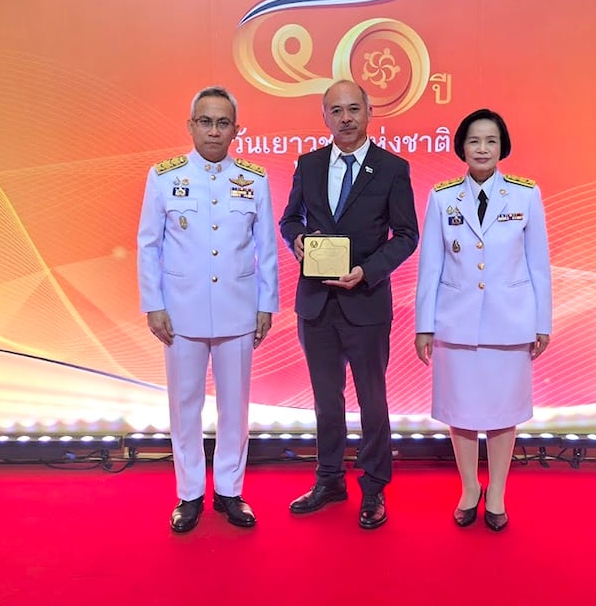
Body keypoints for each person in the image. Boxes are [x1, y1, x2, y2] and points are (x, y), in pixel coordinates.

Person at [137, 86, 279, 533]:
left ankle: (230, 491)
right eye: (205, 121)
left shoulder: (254, 179)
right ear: (191, 126)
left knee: (235, 408)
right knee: (185, 407)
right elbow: (148, 245)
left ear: (236, 130)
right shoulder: (164, 176)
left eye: (222, 122)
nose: (214, 130)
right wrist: (154, 303)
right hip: (181, 312)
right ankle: (189, 494)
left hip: (239, 310)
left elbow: (266, 248)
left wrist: (266, 304)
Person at [279, 79, 419, 529]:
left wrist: (368, 271)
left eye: (353, 109)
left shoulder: (392, 168)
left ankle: (374, 486)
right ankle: (329, 480)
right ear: (324, 117)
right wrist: (297, 240)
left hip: (366, 301)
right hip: (316, 303)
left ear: (369, 113)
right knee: (326, 400)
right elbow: (289, 219)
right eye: (336, 110)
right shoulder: (309, 164)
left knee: (372, 401)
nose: (345, 118)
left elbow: (407, 236)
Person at [414, 108, 552, 532]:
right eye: (474, 141)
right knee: (461, 411)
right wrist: (424, 325)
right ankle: (470, 488)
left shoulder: (525, 195)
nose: (482, 149)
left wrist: (542, 322)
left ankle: (498, 493)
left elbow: (538, 265)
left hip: (510, 322)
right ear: (462, 147)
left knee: (503, 412)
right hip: (456, 323)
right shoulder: (442, 197)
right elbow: (430, 266)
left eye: (491, 141)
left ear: (502, 147)